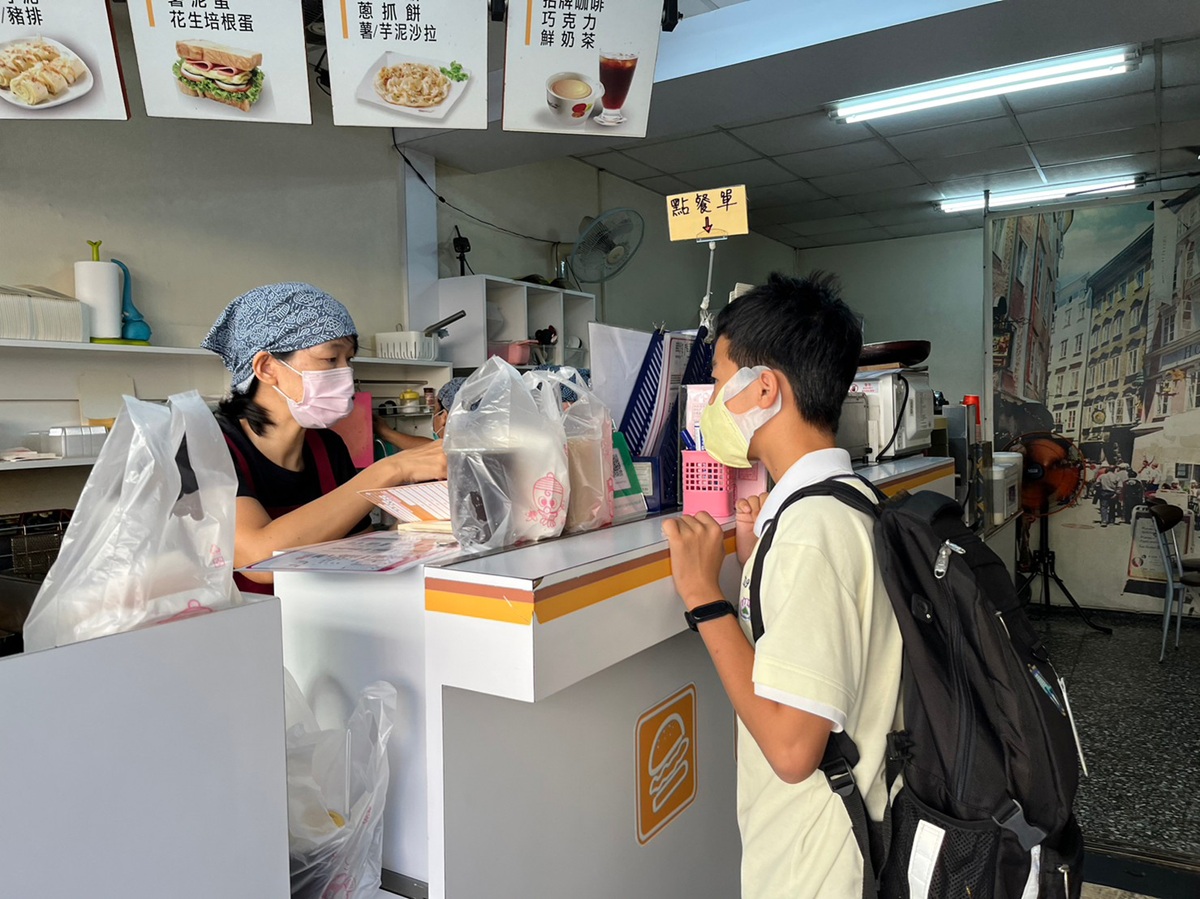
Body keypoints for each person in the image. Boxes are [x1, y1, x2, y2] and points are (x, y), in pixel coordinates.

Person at [662, 272, 900, 899]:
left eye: (719, 382)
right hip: (840, 839)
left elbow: (793, 750)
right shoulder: (846, 498)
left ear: (764, 388)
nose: (713, 402)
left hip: (818, 862)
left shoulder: (811, 531)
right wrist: (753, 568)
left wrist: (703, 597)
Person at [201, 282, 447, 593]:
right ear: (266, 367)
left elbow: (359, 548)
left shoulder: (327, 447)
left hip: (322, 613)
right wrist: (391, 469)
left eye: (349, 360)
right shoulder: (207, 447)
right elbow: (257, 558)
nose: (347, 375)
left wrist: (418, 525)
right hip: (246, 619)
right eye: (330, 359)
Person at [372, 376, 467, 450]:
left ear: (443, 417)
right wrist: (386, 432)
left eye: (435, 409)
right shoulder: (469, 446)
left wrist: (385, 432)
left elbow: (435, 451)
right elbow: (431, 448)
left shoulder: (452, 458)